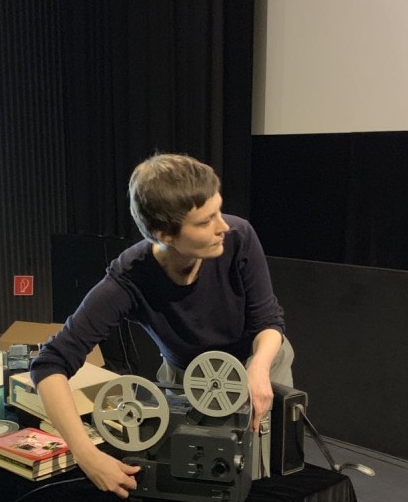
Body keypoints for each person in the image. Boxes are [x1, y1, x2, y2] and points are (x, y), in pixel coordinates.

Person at [30, 153, 294, 499]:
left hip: (259, 362)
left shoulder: (240, 236)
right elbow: (50, 364)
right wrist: (86, 455)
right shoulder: (128, 280)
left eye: (219, 210)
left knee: (258, 477)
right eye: (205, 221)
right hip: (187, 378)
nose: (222, 226)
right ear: (164, 234)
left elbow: (268, 321)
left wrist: (258, 369)